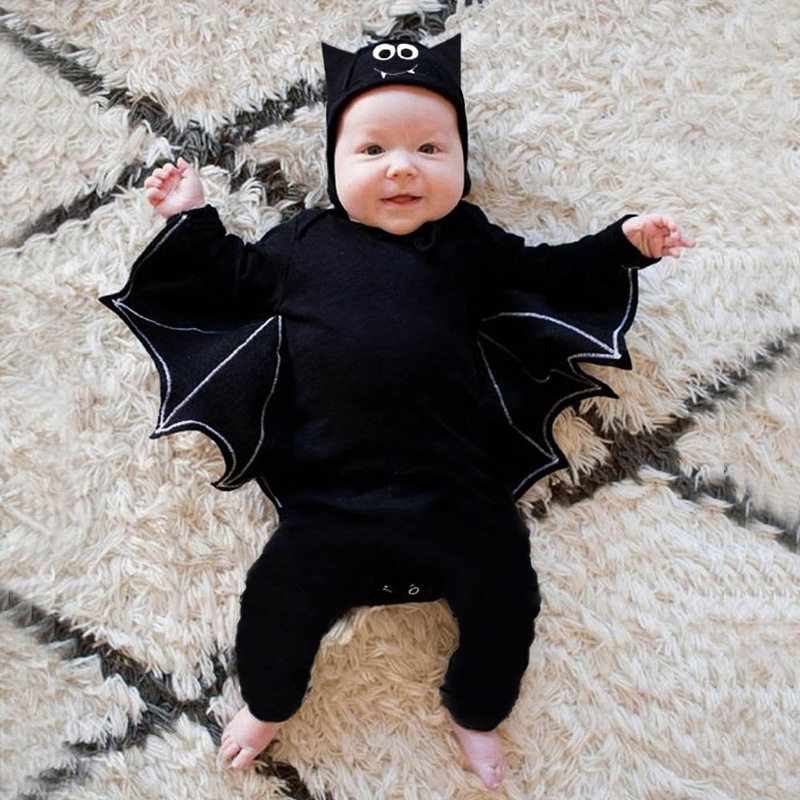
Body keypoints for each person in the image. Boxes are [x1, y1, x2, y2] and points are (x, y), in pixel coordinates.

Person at [101, 35, 693, 791]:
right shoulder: (302, 245)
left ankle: (475, 710)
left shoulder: (469, 243)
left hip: (461, 495)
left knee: (509, 597)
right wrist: (191, 216)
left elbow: (548, 270)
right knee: (276, 601)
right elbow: (232, 277)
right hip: (328, 500)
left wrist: (622, 244)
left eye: (430, 149)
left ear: (463, 162)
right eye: (373, 149)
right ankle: (270, 704)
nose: (402, 167)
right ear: (334, 164)